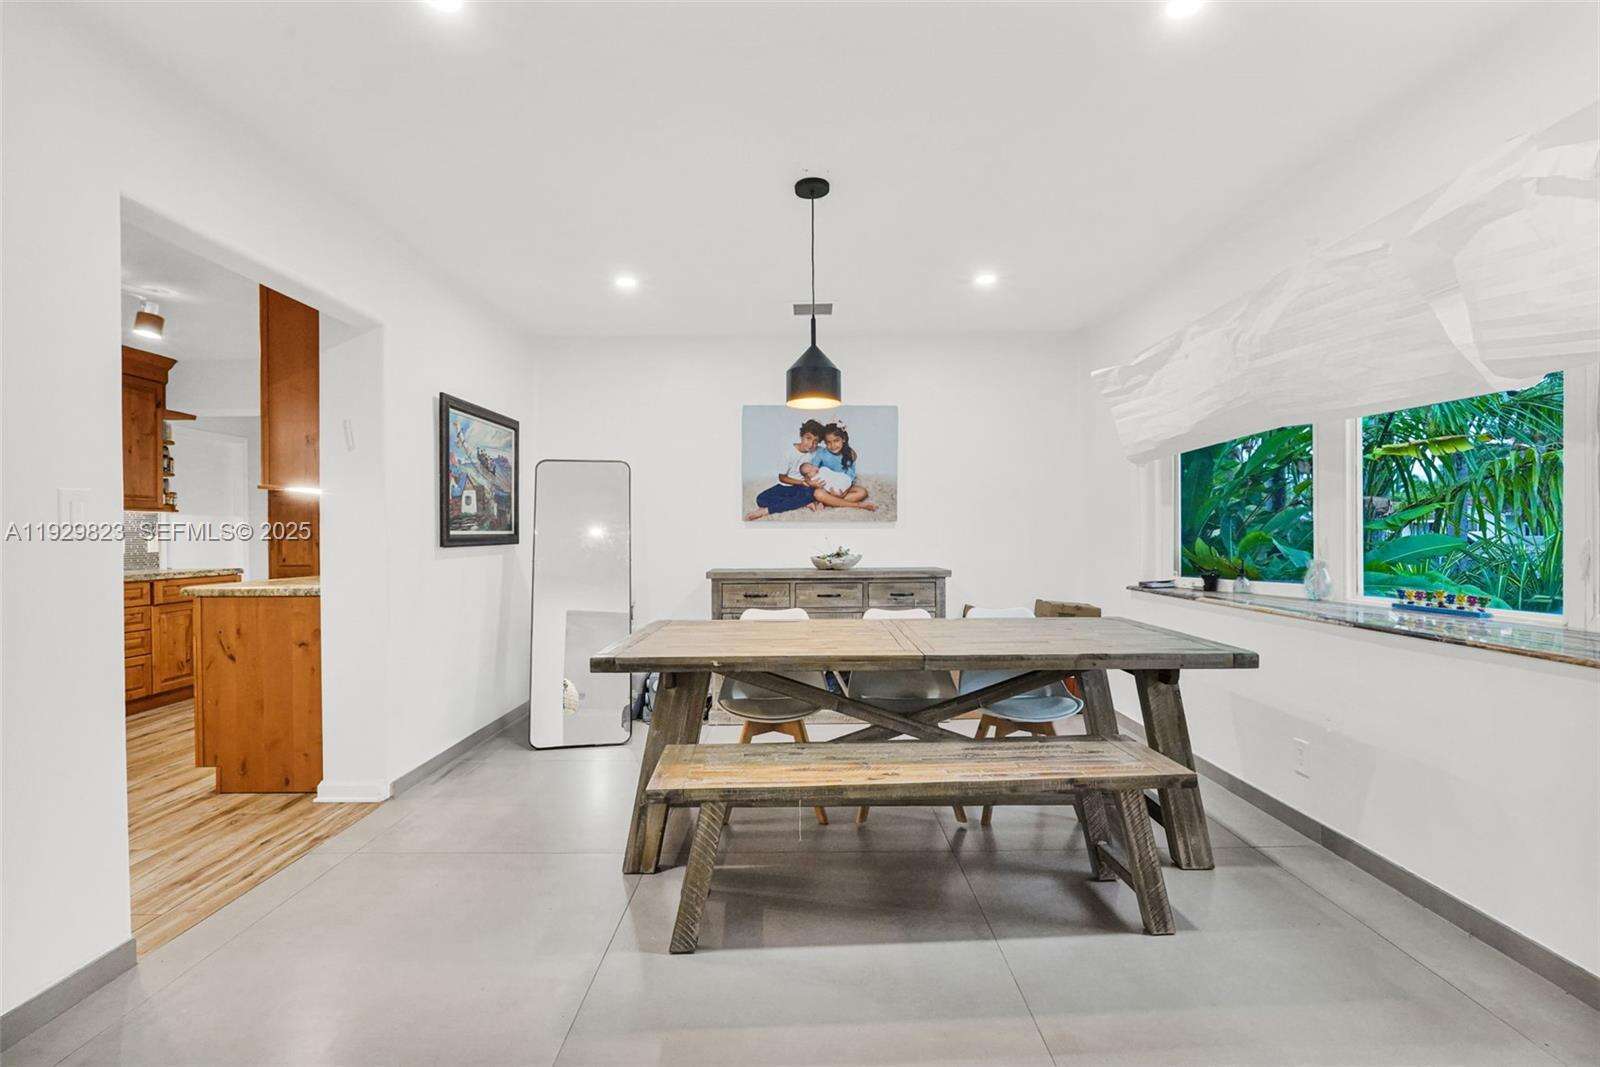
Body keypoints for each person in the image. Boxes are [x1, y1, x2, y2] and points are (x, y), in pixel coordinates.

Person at [744, 418, 828, 520]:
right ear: (801, 436)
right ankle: (802, 503)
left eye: (815, 441)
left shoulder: (818, 451)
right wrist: (801, 482)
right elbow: (782, 478)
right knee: (761, 499)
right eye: (808, 438)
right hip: (789, 485)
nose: (811, 444)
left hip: (806, 488)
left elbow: (832, 450)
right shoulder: (789, 453)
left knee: (808, 494)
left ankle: (767, 511)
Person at [808, 423, 877, 512]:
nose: (833, 445)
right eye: (828, 442)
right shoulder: (821, 453)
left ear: (843, 439)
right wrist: (812, 482)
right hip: (825, 486)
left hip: (842, 486)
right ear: (825, 442)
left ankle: (828, 502)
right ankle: (857, 505)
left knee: (862, 492)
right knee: (818, 494)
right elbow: (811, 470)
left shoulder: (849, 454)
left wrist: (843, 492)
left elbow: (850, 476)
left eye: (836, 440)